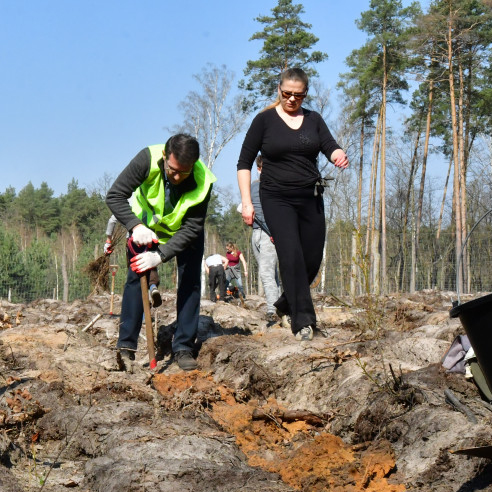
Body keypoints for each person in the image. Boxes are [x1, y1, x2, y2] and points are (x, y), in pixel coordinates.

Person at [237, 67, 348, 342]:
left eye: (297, 95)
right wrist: (247, 202)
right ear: (279, 90)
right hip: (276, 198)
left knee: (311, 260)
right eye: (286, 93)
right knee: (290, 256)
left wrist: (338, 154)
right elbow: (244, 163)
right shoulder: (264, 121)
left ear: (305, 94)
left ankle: (286, 303)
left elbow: (329, 144)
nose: (291, 99)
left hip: (310, 196)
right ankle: (303, 322)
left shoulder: (314, 119)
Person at [107, 134, 215, 371]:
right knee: (137, 277)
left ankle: (184, 346)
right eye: (173, 170)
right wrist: (135, 225)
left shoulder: (203, 180)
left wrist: (161, 255)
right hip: (147, 229)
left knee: (190, 282)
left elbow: (192, 227)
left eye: (183, 173)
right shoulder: (147, 159)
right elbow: (115, 195)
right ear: (165, 156)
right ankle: (126, 347)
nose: (177, 177)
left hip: (185, 235)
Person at [242, 154, 282, 324]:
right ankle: (281, 306)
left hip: (269, 235)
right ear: (259, 169)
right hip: (256, 233)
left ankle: (273, 310)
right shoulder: (252, 187)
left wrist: (277, 232)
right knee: (270, 273)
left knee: (266, 273)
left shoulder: (279, 186)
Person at [106, 214, 162, 307]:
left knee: (136, 274)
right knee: (150, 265)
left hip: (134, 241)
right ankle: (153, 286)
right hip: (151, 238)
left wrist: (108, 240)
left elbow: (112, 220)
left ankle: (143, 312)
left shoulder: (127, 204)